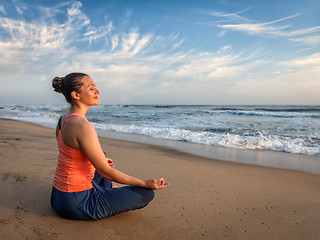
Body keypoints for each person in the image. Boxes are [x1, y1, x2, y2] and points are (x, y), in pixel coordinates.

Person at [50, 72, 169, 220]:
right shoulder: (82, 125)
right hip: (77, 203)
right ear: (76, 95)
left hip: (58, 197)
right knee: (145, 193)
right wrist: (143, 183)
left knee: (101, 163)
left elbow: (70, 155)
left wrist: (98, 164)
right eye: (91, 88)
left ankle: (108, 193)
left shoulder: (63, 119)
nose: (97, 91)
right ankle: (107, 195)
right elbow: (106, 172)